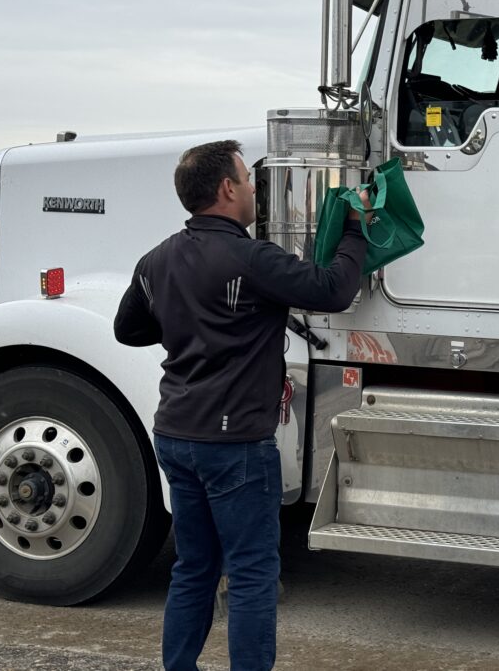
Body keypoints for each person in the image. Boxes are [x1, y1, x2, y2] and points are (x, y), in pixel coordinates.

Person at [114, 140, 367, 671]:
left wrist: (189, 327)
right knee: (252, 573)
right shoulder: (252, 259)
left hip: (177, 435)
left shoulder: (156, 258)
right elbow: (333, 290)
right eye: (248, 180)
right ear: (228, 189)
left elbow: (126, 328)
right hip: (234, 446)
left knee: (194, 567)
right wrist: (353, 231)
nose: (255, 190)